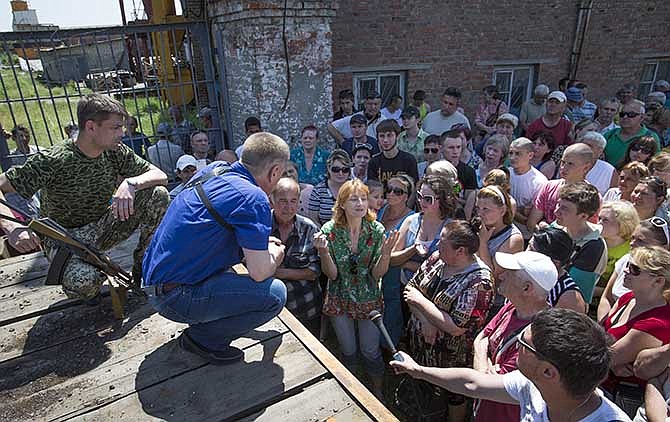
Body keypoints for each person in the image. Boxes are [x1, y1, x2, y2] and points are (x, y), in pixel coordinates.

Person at [0, 94, 169, 301]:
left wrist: (130, 183)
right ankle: (81, 274)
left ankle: (143, 266)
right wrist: (12, 228)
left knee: (157, 194)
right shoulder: (53, 160)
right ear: (91, 127)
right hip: (64, 240)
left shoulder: (114, 151)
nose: (122, 133)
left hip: (102, 227)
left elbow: (160, 175)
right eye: (115, 128)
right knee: (86, 283)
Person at [142, 132, 289, 365]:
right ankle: (202, 340)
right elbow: (260, 272)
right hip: (173, 297)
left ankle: (204, 318)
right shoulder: (254, 198)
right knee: (275, 294)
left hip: (154, 281)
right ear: (275, 172)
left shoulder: (215, 170)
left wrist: (260, 247)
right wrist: (275, 256)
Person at [390, 308, 632, 422]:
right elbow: (472, 383)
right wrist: (419, 371)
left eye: (522, 344)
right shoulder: (533, 385)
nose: (514, 347)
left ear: (549, 371)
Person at [313, 179, 397, 398]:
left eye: (363, 198)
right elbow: (331, 275)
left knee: (370, 351)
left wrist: (386, 253)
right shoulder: (329, 231)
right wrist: (323, 252)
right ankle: (350, 395)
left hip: (369, 300)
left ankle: (378, 393)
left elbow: (377, 274)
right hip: (339, 298)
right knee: (349, 351)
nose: (360, 203)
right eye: (353, 199)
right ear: (341, 203)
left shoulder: (376, 230)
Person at [403, 219, 495, 422]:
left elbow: (456, 327)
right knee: (425, 384)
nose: (437, 246)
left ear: (460, 251)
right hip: (422, 343)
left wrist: (421, 302)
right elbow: (410, 290)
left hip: (453, 355)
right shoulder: (437, 259)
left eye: (442, 243)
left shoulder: (480, 282)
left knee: (455, 396)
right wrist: (427, 322)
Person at [472, 251, 556, 422]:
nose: (501, 275)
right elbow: (480, 339)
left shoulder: (538, 339)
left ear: (527, 288)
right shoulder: (511, 307)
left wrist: (482, 354)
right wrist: (483, 354)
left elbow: (487, 385)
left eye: (509, 273)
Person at [600, 246, 670, 417]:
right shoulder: (628, 298)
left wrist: (612, 361)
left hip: (617, 398)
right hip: (601, 382)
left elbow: (603, 358)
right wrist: (613, 362)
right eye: (628, 265)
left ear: (658, 281)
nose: (625, 271)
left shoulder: (656, 323)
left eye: (635, 269)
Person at [270, 177, 322, 336]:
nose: (288, 207)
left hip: (306, 307)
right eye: (283, 201)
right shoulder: (260, 227)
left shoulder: (309, 228)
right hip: (270, 311)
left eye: (293, 201)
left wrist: (275, 272)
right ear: (271, 200)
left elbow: (314, 272)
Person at [392, 174, 459, 287]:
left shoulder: (451, 227)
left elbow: (449, 267)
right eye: (419, 196)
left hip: (436, 291)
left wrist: (407, 264)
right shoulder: (410, 221)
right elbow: (392, 259)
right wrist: (413, 250)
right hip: (406, 287)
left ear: (442, 200)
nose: (422, 202)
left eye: (428, 199)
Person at [598, 218, 670, 321]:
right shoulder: (626, 259)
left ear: (663, 247)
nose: (632, 243)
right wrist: (603, 324)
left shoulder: (664, 276)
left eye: (640, 240)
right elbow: (607, 297)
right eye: (632, 238)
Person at [376, 174, 415, 348]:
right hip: (375, 270)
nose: (391, 194)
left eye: (397, 191)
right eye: (388, 189)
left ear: (407, 196)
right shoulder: (381, 209)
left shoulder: (412, 219)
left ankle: (389, 349)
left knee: (392, 312)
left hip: (394, 276)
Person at [553, 182, 607, 305]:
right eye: (558, 204)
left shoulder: (594, 246)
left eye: (564, 208)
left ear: (583, 216)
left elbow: (576, 291)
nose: (556, 211)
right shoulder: (556, 228)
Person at [527, 143, 594, 231]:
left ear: (586, 167)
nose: (563, 167)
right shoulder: (548, 186)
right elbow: (531, 223)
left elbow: (586, 232)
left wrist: (546, 227)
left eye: (570, 164)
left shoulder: (590, 197)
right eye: (563, 162)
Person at [527, 227, 587, 313]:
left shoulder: (569, 298)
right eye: (528, 246)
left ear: (555, 262)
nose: (526, 253)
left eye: (532, 250)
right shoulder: (525, 273)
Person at [595, 201, 639, 301]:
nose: (599, 223)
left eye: (605, 220)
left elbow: (623, 289)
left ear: (623, 224)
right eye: (599, 218)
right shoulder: (592, 241)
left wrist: (594, 291)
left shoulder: (631, 251)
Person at [475, 186, 524, 276]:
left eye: (486, 209)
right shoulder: (478, 226)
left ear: (502, 210)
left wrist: (482, 243)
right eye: (478, 208)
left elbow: (492, 274)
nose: (480, 214)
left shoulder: (513, 239)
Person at [507, 137, 548, 239]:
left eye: (518, 154)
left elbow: (532, 215)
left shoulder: (540, 181)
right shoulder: (505, 173)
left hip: (525, 235)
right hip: (503, 231)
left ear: (530, 155)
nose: (512, 157)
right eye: (511, 153)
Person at [604, 100, 661, 168]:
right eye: (622, 114)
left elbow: (655, 163)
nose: (625, 117)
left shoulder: (650, 136)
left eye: (631, 114)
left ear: (642, 117)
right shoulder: (610, 134)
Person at [307, 149, 352, 226]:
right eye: (336, 169)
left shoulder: (355, 189)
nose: (340, 173)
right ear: (328, 169)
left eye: (345, 170)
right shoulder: (318, 191)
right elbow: (313, 219)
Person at [367, 119, 419, 185]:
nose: (385, 140)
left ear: (397, 136)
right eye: (382, 136)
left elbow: (414, 188)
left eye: (389, 135)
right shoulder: (373, 162)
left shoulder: (409, 160)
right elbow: (372, 189)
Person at [442, 129, 477, 210]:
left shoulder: (469, 172)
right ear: (441, 148)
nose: (455, 151)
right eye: (451, 148)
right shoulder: (433, 170)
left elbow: (470, 201)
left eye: (458, 147)